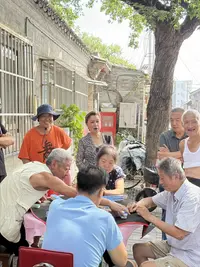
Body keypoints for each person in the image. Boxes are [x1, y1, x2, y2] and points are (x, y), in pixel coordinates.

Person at [42, 166, 135, 267]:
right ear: (101, 192)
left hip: (48, 265)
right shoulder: (105, 218)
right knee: (130, 264)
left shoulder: (55, 206)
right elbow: (121, 261)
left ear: (76, 187)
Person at [0, 148, 77, 256]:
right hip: (4, 223)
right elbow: (71, 192)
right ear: (54, 164)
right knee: (25, 253)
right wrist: (104, 197)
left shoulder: (35, 165)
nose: (67, 173)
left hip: (4, 213)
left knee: (25, 239)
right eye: (66, 169)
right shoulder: (46, 177)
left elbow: (22, 187)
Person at [130, 157, 200, 267]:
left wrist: (150, 217)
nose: (160, 183)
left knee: (146, 265)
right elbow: (150, 201)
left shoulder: (192, 197)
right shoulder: (171, 192)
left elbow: (179, 234)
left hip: (190, 256)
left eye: (162, 178)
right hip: (175, 246)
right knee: (138, 249)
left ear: (176, 176)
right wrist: (138, 205)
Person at [180, 109, 200, 187]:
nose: (190, 126)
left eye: (194, 121)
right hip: (187, 186)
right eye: (186, 122)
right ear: (183, 125)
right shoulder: (182, 144)